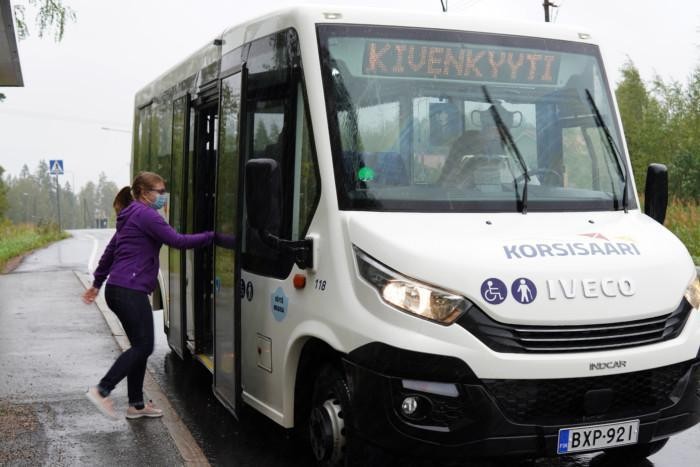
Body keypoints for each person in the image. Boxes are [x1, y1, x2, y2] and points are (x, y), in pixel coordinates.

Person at [82, 171, 214, 420]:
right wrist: (212, 236)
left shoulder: (129, 216)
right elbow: (178, 241)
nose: (164, 197)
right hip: (129, 291)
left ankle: (136, 405)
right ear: (145, 194)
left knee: (139, 347)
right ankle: (102, 390)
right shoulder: (146, 215)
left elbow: (110, 253)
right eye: (160, 192)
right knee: (144, 346)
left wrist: (97, 283)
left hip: (119, 290)